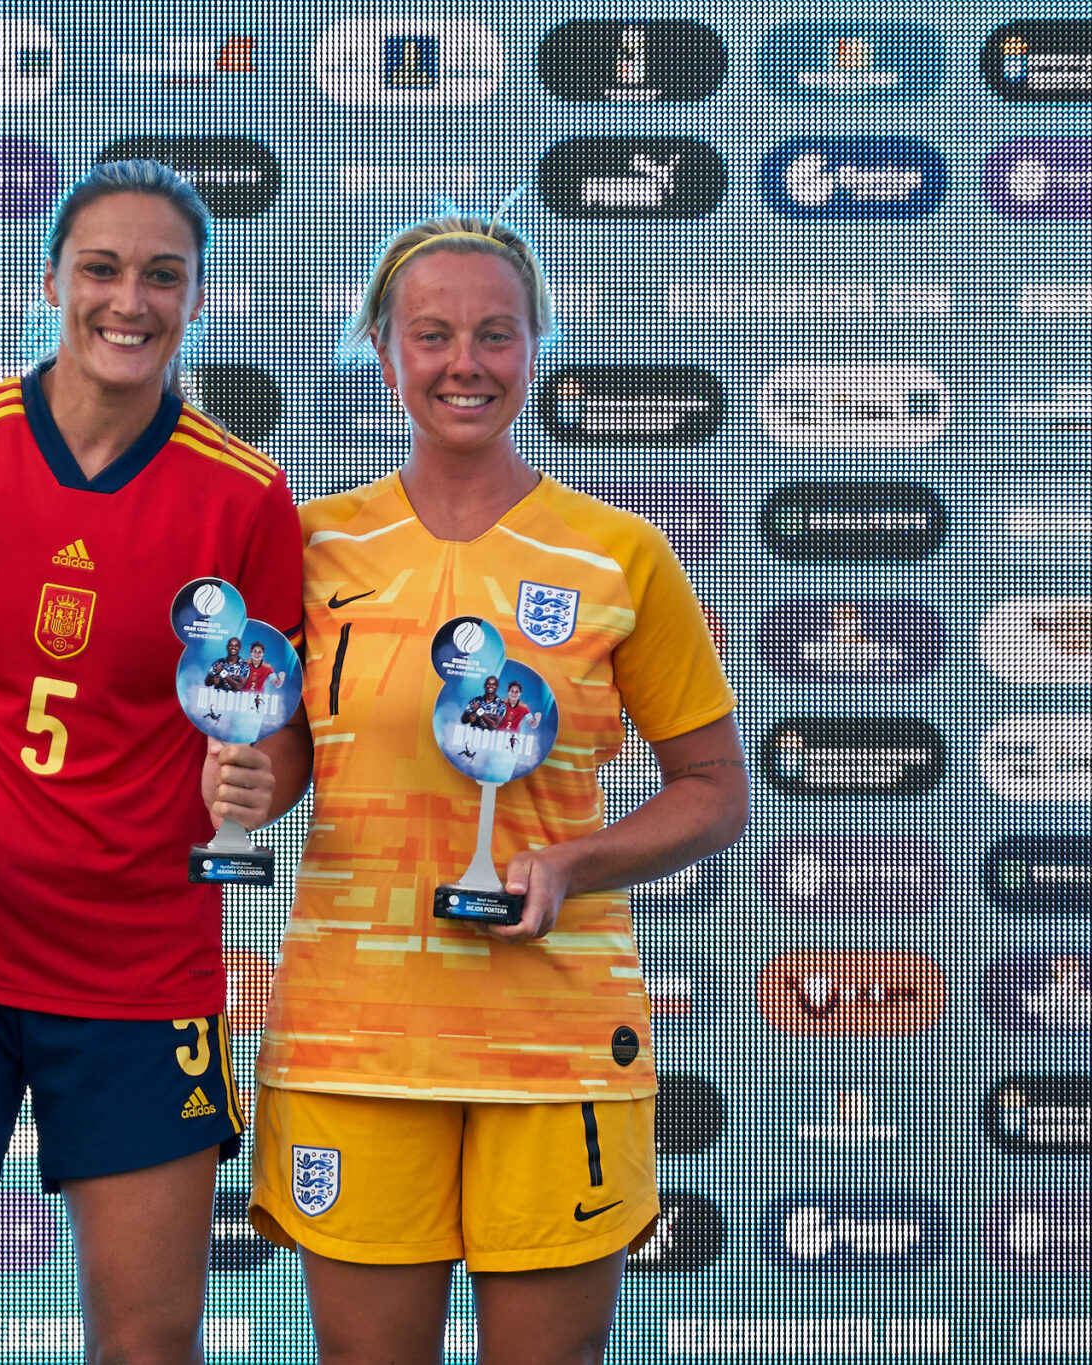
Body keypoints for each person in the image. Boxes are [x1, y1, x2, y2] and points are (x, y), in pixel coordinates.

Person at [0, 160, 309, 1365]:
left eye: (160, 275)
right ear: (50, 281)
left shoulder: (244, 497)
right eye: (100, 268)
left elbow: (280, 742)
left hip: (139, 967)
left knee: (149, 1342)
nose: (126, 300)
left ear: (195, 301)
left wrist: (260, 785)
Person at [238, 215, 749, 1363]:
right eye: (430, 335)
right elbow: (274, 772)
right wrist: (225, 782)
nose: (462, 363)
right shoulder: (310, 549)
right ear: (381, 353)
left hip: (552, 1043)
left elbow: (715, 787)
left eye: (493, 335)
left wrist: (576, 862)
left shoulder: (616, 554)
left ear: (536, 350)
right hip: (352, 1043)